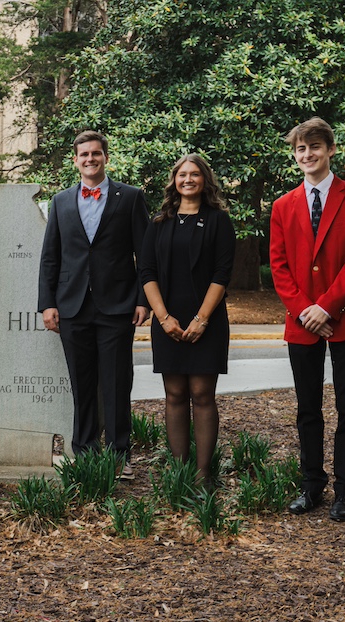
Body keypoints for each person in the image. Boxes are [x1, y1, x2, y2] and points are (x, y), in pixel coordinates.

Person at [269, 117, 345, 521]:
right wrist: (304, 311)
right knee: (307, 408)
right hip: (302, 323)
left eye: (315, 146)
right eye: (300, 149)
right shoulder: (283, 205)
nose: (307, 154)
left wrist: (326, 308)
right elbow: (279, 267)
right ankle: (311, 484)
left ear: (330, 150)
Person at [38, 130, 149, 475]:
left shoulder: (130, 198)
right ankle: (83, 453)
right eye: (84, 154)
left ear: (105, 158)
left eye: (96, 154)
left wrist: (143, 298)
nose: (90, 159)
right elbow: (50, 257)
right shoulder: (60, 201)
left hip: (117, 305)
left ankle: (119, 456)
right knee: (81, 383)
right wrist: (47, 303)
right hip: (72, 307)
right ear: (76, 160)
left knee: (117, 383)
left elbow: (144, 253)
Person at [138, 154, 235, 487]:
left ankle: (203, 474)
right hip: (168, 319)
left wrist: (202, 319)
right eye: (183, 174)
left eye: (195, 174)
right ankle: (179, 472)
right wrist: (163, 318)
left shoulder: (219, 220)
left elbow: (222, 273)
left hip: (206, 319)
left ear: (204, 180)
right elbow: (146, 272)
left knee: (202, 394)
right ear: (174, 180)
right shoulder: (159, 221)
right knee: (174, 393)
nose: (188, 179)